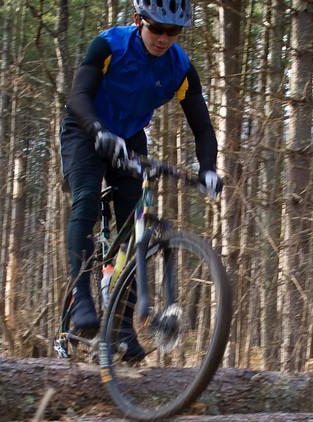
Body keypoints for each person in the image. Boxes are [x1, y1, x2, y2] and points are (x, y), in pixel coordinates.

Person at [59, 0, 222, 361]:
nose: (164, 38)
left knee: (136, 230)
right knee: (86, 198)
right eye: (157, 28)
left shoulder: (180, 68)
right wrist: (98, 131)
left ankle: (121, 325)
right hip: (85, 128)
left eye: (173, 31)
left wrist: (208, 168)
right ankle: (81, 297)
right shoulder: (110, 45)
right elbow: (79, 94)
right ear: (138, 21)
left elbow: (202, 127)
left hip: (130, 138)